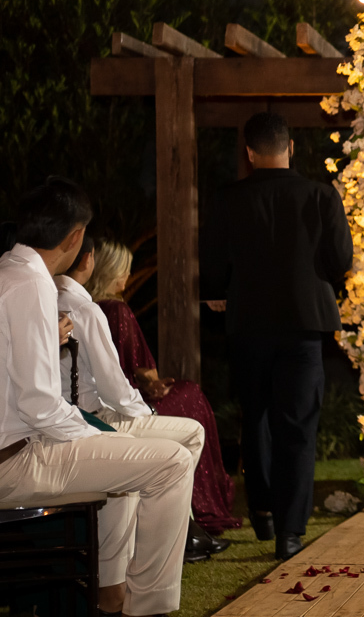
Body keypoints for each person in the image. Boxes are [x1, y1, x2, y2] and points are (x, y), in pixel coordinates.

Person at [0, 177, 194, 617]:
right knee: (172, 462)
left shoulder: (9, 272)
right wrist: (108, 438)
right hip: (15, 459)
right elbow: (40, 405)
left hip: (19, 444)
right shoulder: (31, 285)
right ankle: (146, 607)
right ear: (75, 238)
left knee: (144, 459)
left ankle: (115, 593)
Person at [201, 111, 353, 560]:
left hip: (248, 322)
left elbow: (212, 258)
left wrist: (216, 291)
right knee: (298, 426)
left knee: (257, 417)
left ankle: (264, 510)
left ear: (249, 153)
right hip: (304, 324)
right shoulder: (321, 195)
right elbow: (340, 259)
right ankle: (290, 531)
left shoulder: (228, 198)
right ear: (290, 148)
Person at [62, 236, 233, 559]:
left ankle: (183, 528)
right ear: (88, 261)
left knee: (184, 421)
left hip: (84, 410)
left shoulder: (60, 301)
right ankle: (171, 534)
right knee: (191, 410)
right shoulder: (98, 308)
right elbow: (119, 384)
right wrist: (147, 409)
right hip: (97, 414)